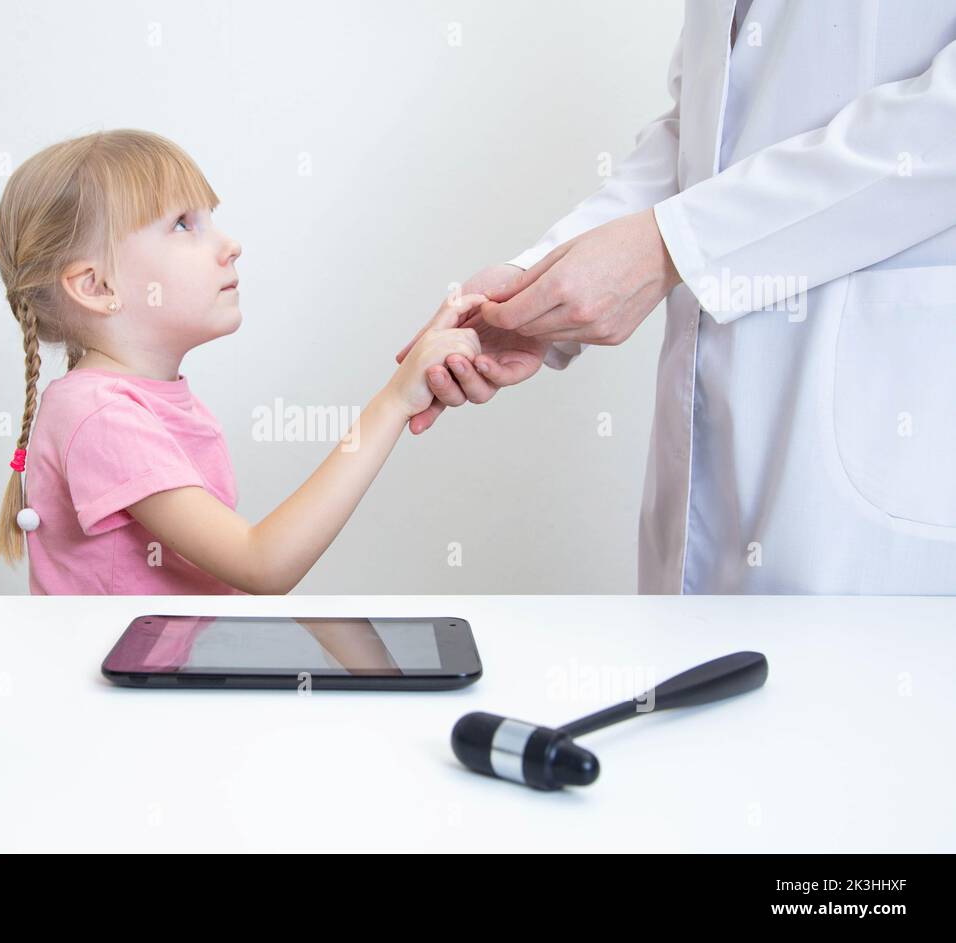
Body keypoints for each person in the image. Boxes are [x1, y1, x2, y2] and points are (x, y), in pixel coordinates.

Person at [400, 1, 956, 593]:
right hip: (719, 435)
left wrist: (671, 245)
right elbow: (704, 134)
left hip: (883, 436)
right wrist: (537, 282)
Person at [0, 129, 483, 594]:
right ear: (97, 287)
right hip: (125, 681)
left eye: (209, 219)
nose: (231, 245)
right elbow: (262, 565)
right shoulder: (100, 416)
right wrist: (394, 401)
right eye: (184, 225)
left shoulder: (131, 401)